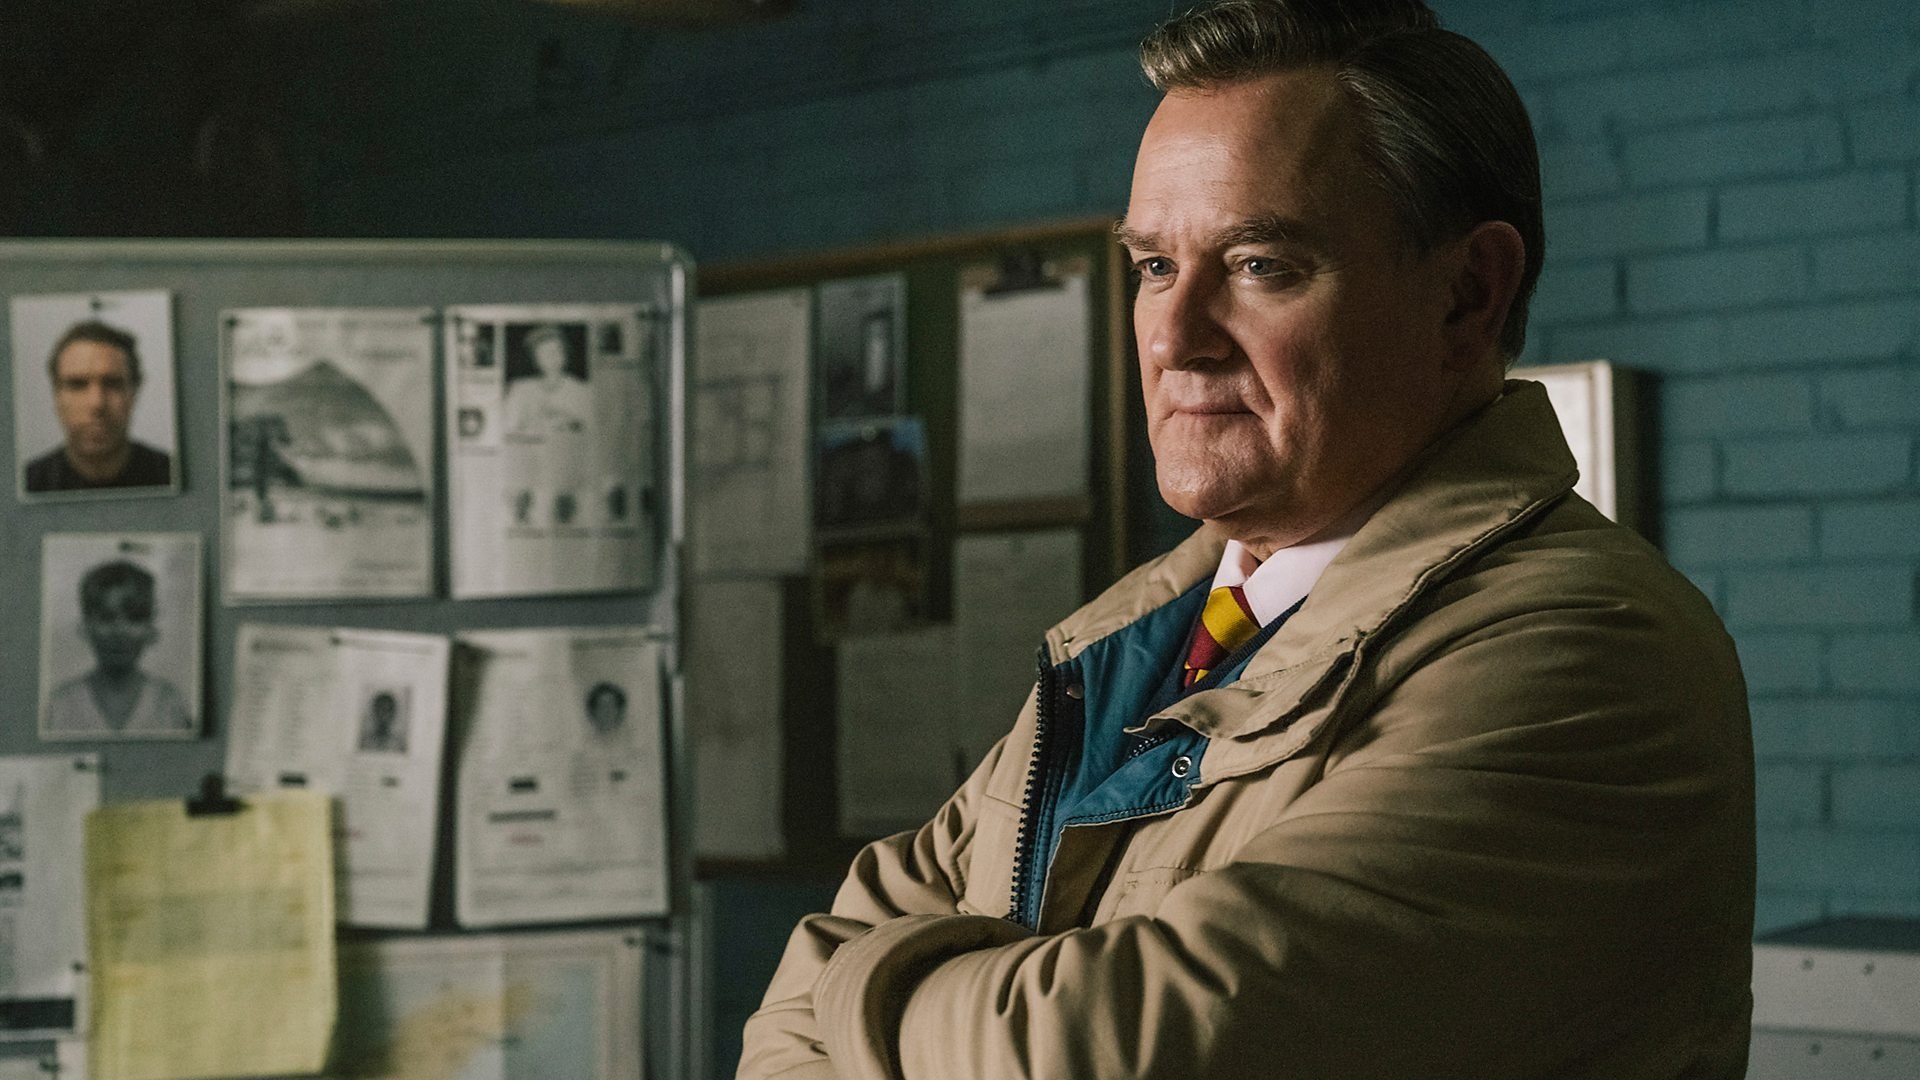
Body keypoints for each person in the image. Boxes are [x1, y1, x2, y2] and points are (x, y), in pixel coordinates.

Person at [738, 3, 1755, 1078]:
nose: (1175, 339)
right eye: (1154, 267)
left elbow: (1115, 1055)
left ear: (1467, 297)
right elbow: (781, 1031)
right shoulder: (1132, 642)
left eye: (1261, 264)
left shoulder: (1583, 652)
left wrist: (858, 991)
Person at [43, 561, 193, 738]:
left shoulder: (169, 705)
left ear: (150, 628)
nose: (120, 632)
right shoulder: (61, 705)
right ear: (86, 625)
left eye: (135, 618)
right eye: (106, 618)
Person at [23, 320, 173, 493]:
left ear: (134, 393)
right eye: (77, 385)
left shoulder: (173, 477)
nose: (97, 403)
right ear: (56, 396)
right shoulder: (26, 485)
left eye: (113, 384)